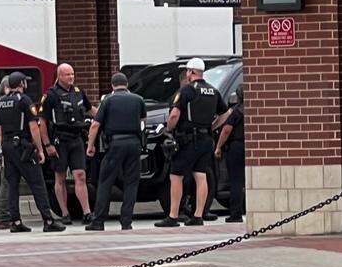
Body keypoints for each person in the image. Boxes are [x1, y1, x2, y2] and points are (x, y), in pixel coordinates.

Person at [155, 57, 230, 227]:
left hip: (188, 139)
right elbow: (226, 113)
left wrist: (169, 129)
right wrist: (212, 126)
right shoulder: (213, 90)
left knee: (176, 176)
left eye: (188, 71)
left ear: (191, 72)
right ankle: (198, 215)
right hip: (206, 139)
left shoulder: (187, 90)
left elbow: (174, 115)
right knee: (200, 175)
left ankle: (173, 216)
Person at [0, 71, 64, 233]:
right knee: (37, 183)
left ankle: (15, 222)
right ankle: (48, 220)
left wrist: (3, 147)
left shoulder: (0, 102)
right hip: (23, 147)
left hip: (7, 146)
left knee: (12, 185)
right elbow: (33, 126)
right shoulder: (24, 100)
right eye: (25, 81)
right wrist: (40, 149)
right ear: (21, 84)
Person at [84, 72, 145, 231]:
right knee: (131, 183)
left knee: (105, 182)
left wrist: (90, 145)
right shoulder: (138, 99)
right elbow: (142, 122)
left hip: (115, 144)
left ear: (112, 85)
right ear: (127, 84)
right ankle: (126, 221)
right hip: (134, 144)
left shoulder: (108, 100)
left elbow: (95, 125)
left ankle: (98, 221)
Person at [41, 63, 94, 224]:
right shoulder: (51, 95)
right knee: (60, 177)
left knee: (80, 175)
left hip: (76, 139)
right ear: (59, 76)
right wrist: (47, 144)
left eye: (72, 74)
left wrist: (104, 115)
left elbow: (91, 109)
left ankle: (87, 213)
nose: (71, 77)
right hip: (59, 140)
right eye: (67, 74)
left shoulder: (79, 92)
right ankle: (65, 213)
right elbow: (42, 122)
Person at [215, 86, 245, 223]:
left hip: (236, 147)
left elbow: (226, 130)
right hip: (251, 147)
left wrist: (218, 147)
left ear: (238, 96)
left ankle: (236, 214)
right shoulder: (255, 110)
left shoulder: (236, 111)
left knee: (236, 181)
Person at [0, 75, 12, 229]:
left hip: (3, 147)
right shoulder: (3, 104)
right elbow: (0, 128)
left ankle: (3, 216)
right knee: (6, 183)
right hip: (6, 148)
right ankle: (3, 217)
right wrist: (2, 149)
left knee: (7, 182)